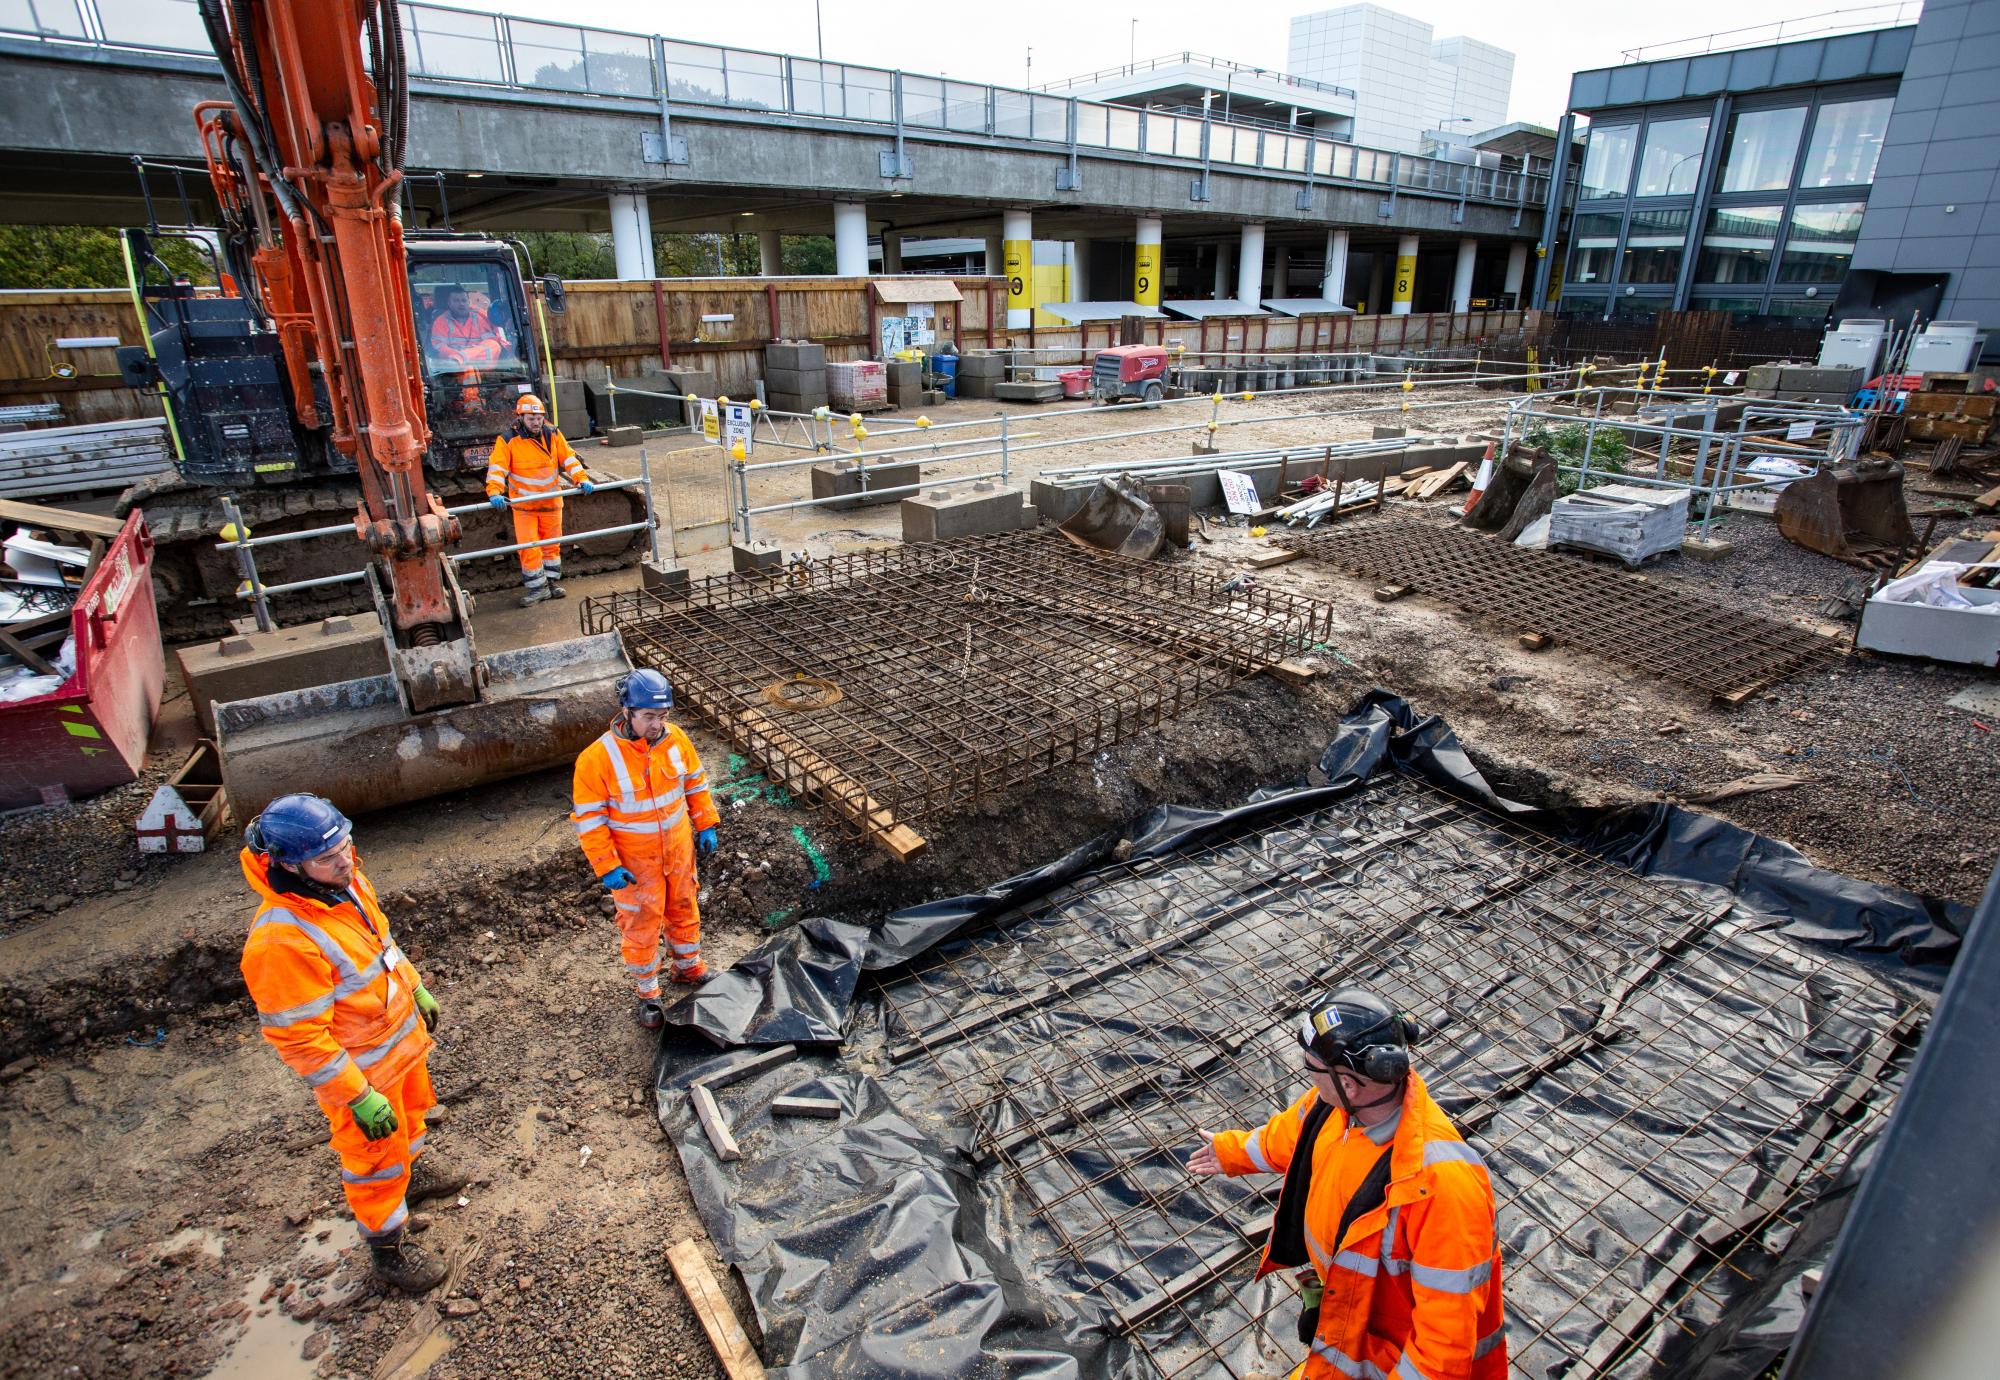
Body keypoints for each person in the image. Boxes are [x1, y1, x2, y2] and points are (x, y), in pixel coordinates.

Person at [1190, 988, 1505, 1380]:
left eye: (1311, 1068)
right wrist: (1230, 1152)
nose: (1307, 1076)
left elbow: (1442, 1353)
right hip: (1349, 1330)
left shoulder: (1441, 1188)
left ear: (1350, 1084)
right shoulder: (1335, 1107)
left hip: (1385, 1361)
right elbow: (1287, 1135)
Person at [238, 794, 467, 1293]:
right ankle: (389, 1250)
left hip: (398, 1046)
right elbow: (299, 1038)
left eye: (346, 845)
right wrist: (357, 1096)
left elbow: (380, 943)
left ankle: (413, 1175)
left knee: (411, 1120)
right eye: (328, 857)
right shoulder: (280, 942)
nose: (345, 860)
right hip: (362, 1073)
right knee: (373, 1161)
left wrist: (414, 984)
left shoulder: (346, 882)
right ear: (286, 865)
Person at [570, 670, 720, 1028]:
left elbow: (695, 784)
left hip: (678, 850)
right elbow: (590, 821)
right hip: (636, 862)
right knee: (642, 923)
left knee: (684, 905)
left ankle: (688, 967)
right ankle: (649, 993)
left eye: (663, 715)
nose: (657, 724)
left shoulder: (676, 740)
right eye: (649, 717)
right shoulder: (596, 760)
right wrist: (607, 866)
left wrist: (705, 823)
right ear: (627, 712)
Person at [486, 393, 593, 607]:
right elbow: (498, 468)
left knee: (551, 547)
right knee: (529, 548)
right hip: (525, 506)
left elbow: (569, 458)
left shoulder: (552, 433)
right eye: (531, 418)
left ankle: (551, 584)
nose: (536, 422)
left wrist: (581, 478)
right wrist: (495, 492)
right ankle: (537, 589)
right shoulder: (508, 440)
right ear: (521, 418)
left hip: (551, 503)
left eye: (539, 418)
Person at [427, 285, 508, 368]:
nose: (461, 304)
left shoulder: (480, 317)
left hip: (481, 369)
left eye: (464, 300)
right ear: (449, 304)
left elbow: (490, 341)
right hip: (453, 370)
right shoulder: (441, 321)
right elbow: (439, 347)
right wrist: (455, 354)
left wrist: (462, 357)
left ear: (469, 302)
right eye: (456, 301)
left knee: (494, 344)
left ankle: (459, 359)